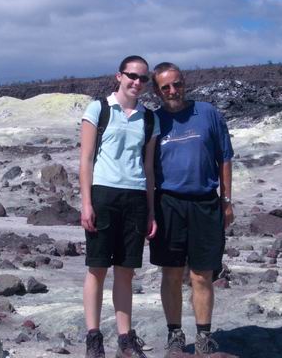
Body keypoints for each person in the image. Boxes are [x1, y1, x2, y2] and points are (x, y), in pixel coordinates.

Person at [149, 62, 234, 357]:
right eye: (166, 87)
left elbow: (225, 156)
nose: (174, 91)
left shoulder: (208, 113)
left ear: (184, 83)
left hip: (205, 202)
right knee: (171, 273)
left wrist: (226, 200)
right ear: (157, 91)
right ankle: (175, 335)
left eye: (178, 84)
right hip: (168, 203)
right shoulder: (154, 121)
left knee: (202, 274)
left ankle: (204, 337)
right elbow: (146, 168)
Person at [80, 55, 159, 358]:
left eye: (143, 78)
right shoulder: (99, 109)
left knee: (126, 271)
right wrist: (86, 203)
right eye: (132, 76)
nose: (137, 82)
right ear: (119, 76)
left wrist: (150, 210)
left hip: (135, 197)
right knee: (97, 267)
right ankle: (93, 337)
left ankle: (125, 339)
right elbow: (86, 159)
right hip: (103, 195)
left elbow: (149, 168)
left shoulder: (149, 118)